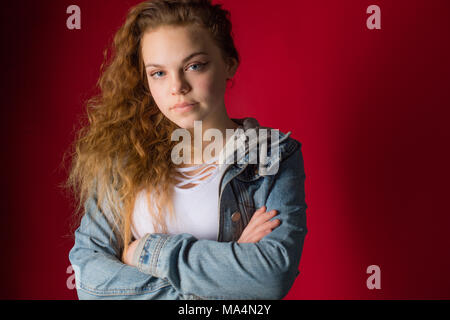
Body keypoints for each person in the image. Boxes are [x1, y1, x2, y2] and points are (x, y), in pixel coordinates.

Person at [65, 0, 308, 300]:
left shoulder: (272, 155)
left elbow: (271, 277)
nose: (177, 86)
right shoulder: (123, 160)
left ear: (229, 62)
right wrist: (222, 281)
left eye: (194, 66)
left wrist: (145, 253)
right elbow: (90, 283)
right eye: (158, 73)